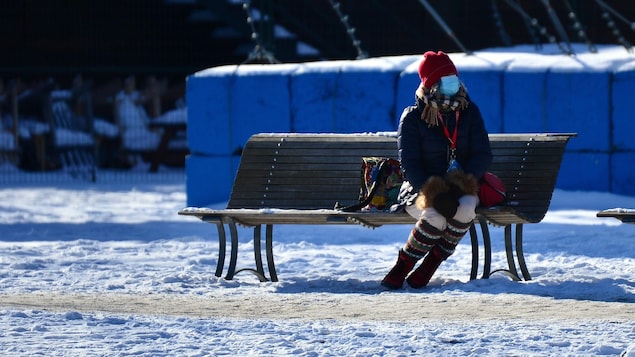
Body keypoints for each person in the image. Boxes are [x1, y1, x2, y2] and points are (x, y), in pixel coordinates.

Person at [381, 51, 492, 290]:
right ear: (431, 84)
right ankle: (403, 266)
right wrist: (435, 192)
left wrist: (460, 184)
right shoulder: (413, 117)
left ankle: (430, 265)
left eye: (453, 76)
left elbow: (482, 154)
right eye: (445, 78)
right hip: (420, 189)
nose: (453, 81)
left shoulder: (470, 112)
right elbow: (409, 164)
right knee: (436, 215)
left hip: (461, 184)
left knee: (465, 208)